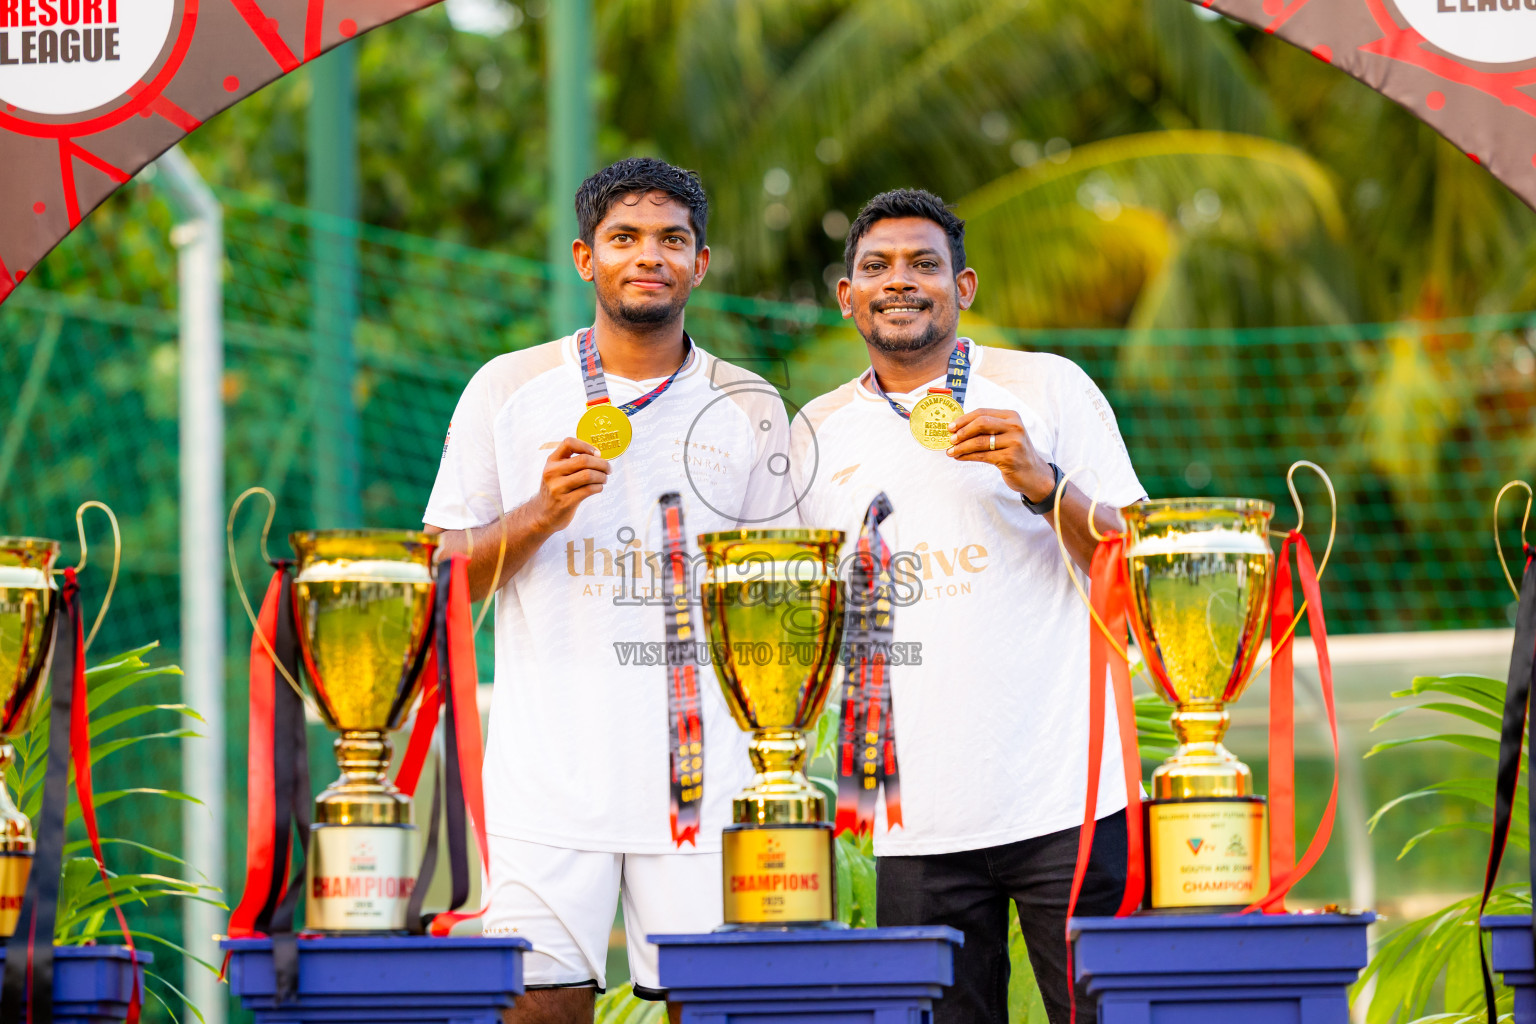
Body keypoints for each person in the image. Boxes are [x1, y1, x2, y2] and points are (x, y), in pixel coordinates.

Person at [423, 157, 794, 1024]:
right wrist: (540, 514)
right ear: (587, 258)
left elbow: (782, 592)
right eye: (625, 237)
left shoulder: (749, 402)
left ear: (700, 264)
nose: (648, 256)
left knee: (717, 1009)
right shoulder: (507, 390)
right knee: (538, 1011)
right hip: (549, 780)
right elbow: (437, 576)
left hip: (708, 784)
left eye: (672, 239)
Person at [788, 188, 1147, 1024]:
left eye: (924, 264)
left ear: (965, 285)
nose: (900, 281)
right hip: (916, 823)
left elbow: (1135, 571)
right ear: (848, 297)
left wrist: (1044, 484)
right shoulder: (813, 432)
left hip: (1073, 800)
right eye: (876, 267)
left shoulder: (1047, 388)